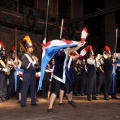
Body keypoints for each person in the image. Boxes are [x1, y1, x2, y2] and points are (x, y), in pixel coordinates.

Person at [47, 39, 86, 113]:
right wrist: (45, 47)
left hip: (65, 75)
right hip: (57, 75)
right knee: (55, 91)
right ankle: (49, 108)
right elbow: (72, 49)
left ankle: (70, 100)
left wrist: (78, 47)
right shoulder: (56, 51)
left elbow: (72, 50)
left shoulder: (63, 51)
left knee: (68, 90)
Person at [21, 35, 37, 107]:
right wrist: (32, 63)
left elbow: (36, 67)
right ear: (27, 48)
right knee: (25, 88)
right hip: (27, 73)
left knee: (33, 88)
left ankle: (33, 101)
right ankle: (23, 103)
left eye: (32, 47)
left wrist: (36, 63)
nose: (31, 49)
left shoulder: (33, 56)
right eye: (30, 48)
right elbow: (25, 65)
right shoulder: (24, 56)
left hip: (33, 73)